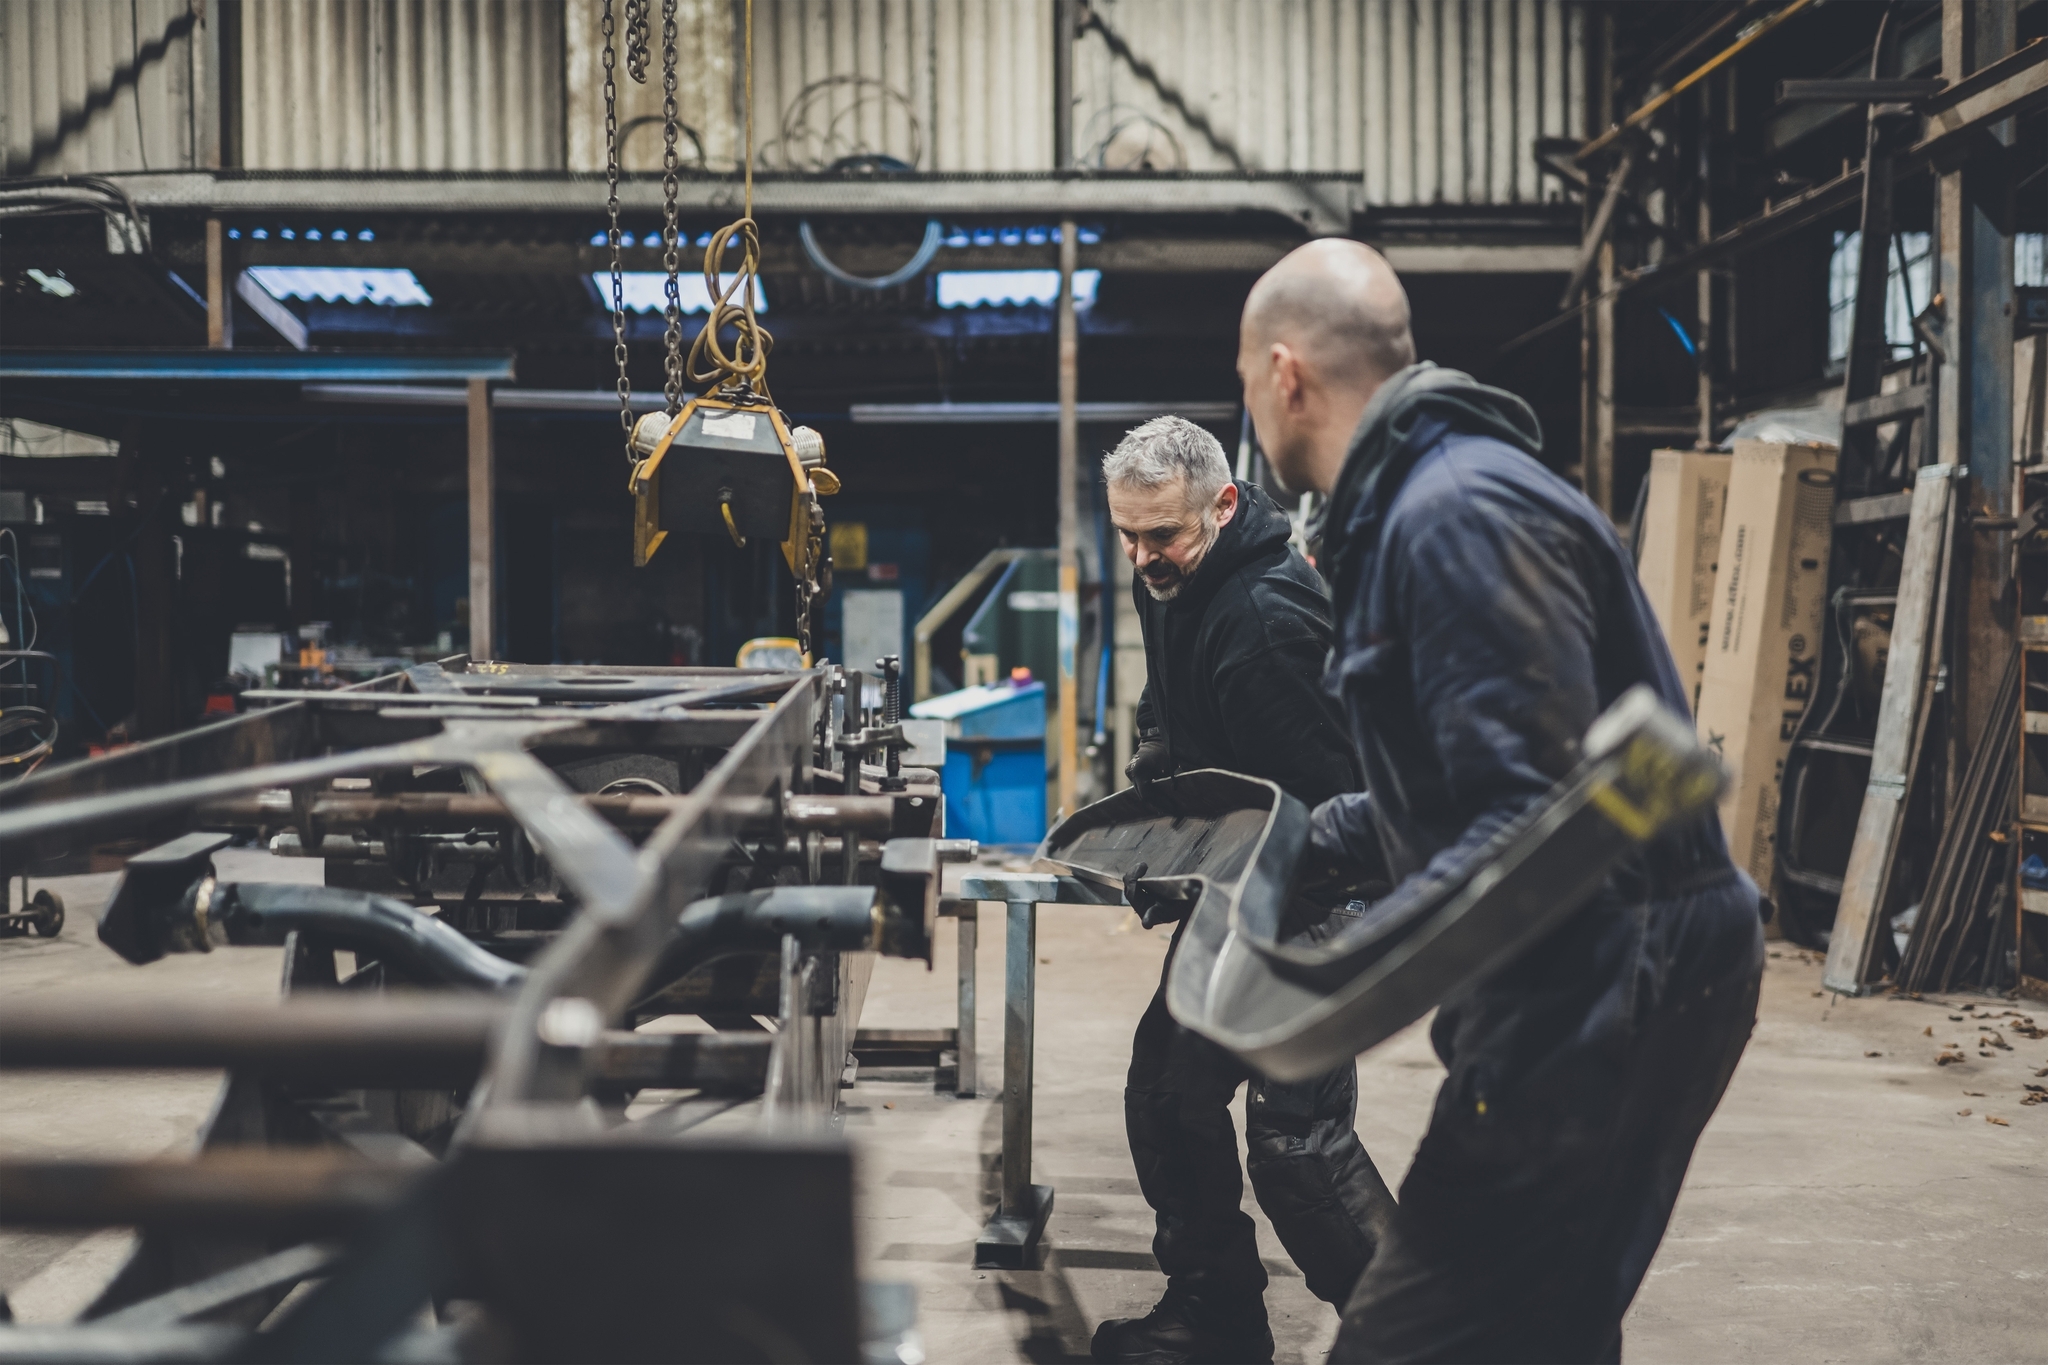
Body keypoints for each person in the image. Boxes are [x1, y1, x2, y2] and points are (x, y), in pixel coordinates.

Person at [1235, 240, 1765, 1363]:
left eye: (1243, 379)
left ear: (1285, 374)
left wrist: (1347, 969)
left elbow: (1531, 829)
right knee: (1543, 1325)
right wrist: (1300, 843)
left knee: (1412, 1337)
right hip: (1606, 950)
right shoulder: (1418, 506)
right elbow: (1460, 786)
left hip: (1614, 967)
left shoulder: (1453, 515)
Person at [1092, 415, 1396, 1365]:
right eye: (1127, 534)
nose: (1142, 556)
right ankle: (1216, 1315)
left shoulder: (1268, 620)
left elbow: (1336, 806)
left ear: (1223, 506)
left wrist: (1201, 860)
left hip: (1328, 887)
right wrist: (1159, 787)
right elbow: (1171, 702)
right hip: (1246, 876)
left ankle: (1428, 1339)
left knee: (1298, 1144)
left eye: (1162, 534)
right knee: (1169, 1092)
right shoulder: (1172, 578)